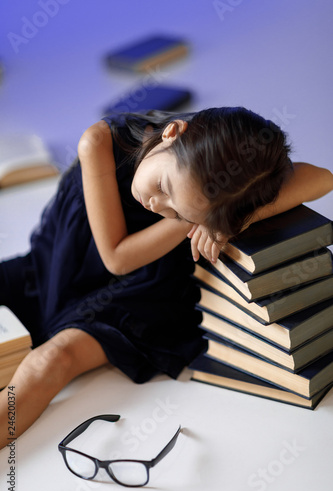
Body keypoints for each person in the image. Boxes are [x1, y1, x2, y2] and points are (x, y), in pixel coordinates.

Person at [0, 107, 332, 449]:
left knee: (52, 360)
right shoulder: (100, 142)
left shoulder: (233, 180)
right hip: (54, 271)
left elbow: (322, 178)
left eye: (178, 211)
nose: (156, 204)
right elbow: (116, 257)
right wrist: (194, 220)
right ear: (173, 131)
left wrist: (232, 217)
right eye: (162, 185)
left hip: (139, 297)